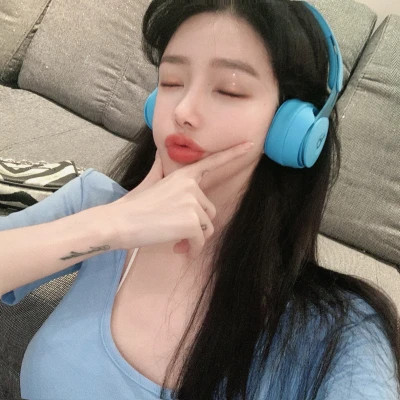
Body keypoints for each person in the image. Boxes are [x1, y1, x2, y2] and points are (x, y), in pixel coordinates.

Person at [0, 0, 399, 399]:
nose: (184, 111)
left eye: (229, 89)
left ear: (291, 129)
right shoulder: (98, 206)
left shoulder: (344, 332)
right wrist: (111, 225)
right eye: (171, 82)